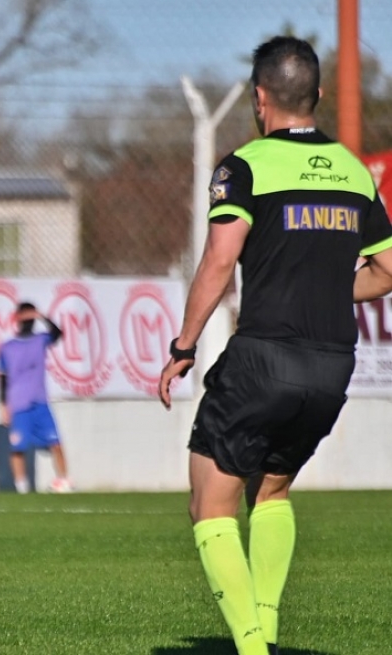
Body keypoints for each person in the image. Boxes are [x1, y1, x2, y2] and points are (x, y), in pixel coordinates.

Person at [158, 36, 392, 655]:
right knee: (272, 490)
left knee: (210, 503)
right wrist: (326, 290)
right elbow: (389, 269)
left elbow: (219, 260)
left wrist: (184, 346)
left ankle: (255, 648)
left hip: (264, 356)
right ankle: (266, 631)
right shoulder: (352, 170)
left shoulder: (245, 166)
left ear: (260, 98)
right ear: (315, 96)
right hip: (332, 365)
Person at [0, 301, 73, 494]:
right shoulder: (8, 347)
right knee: (18, 447)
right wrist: (4, 405)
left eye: (31, 318)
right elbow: (3, 378)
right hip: (19, 404)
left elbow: (58, 333)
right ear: (18, 319)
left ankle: (64, 481)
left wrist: (42, 316)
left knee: (56, 443)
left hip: (40, 403)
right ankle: (21, 488)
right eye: (25, 317)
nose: (28, 321)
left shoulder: (41, 340)